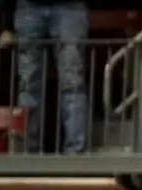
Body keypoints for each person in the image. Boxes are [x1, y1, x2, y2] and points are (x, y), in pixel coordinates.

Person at [11, 0, 89, 153]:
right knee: (28, 83)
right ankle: (26, 151)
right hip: (29, 6)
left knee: (72, 82)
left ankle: (76, 153)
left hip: (70, 7)